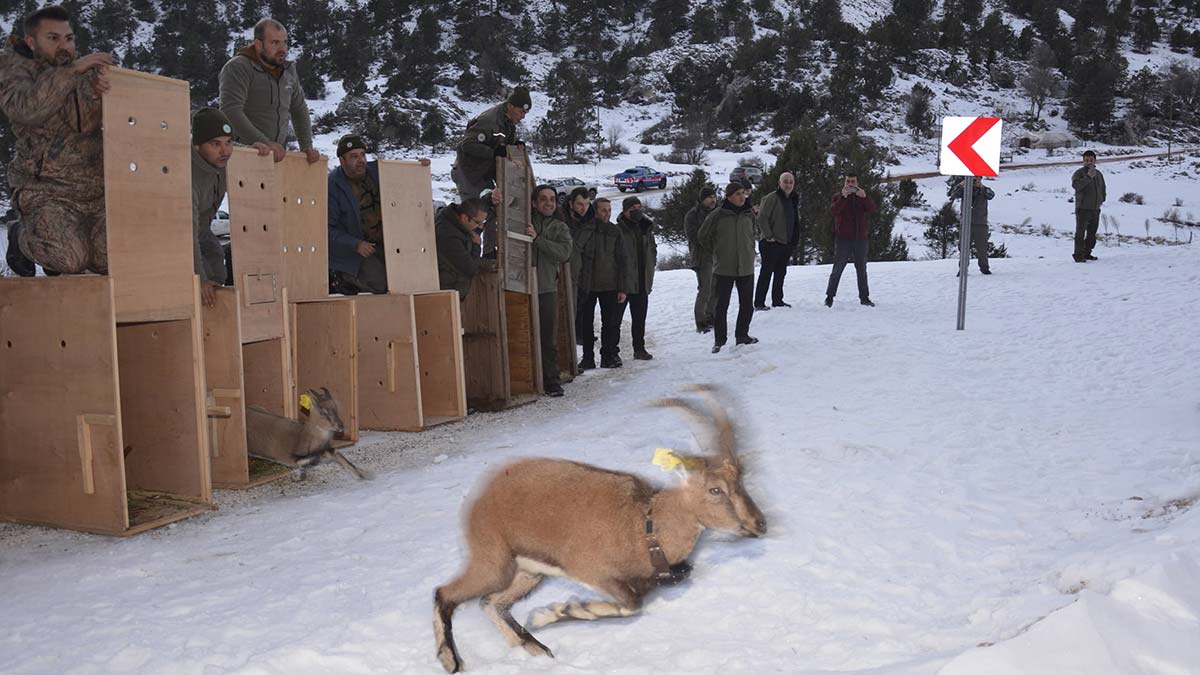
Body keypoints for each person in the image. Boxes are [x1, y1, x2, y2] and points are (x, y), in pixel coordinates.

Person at [1, 5, 111, 275]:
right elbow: (27, 109)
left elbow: (87, 122)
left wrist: (101, 93)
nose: (64, 45)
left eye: (69, 38)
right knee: (70, 259)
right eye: (53, 38)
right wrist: (74, 71)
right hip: (45, 192)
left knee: (112, 256)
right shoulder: (15, 72)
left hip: (95, 193)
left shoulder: (81, 73)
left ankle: (59, 246)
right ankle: (20, 237)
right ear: (31, 41)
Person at [326, 135, 430, 294]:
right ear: (342, 160)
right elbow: (327, 229)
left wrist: (419, 166)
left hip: (384, 244)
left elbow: (404, 177)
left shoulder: (378, 171)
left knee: (407, 278)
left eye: (362, 154)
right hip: (352, 252)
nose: (360, 160)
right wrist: (355, 244)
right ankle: (342, 278)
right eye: (353, 156)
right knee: (380, 283)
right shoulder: (332, 185)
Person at [191, 107, 270, 307]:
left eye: (229, 143)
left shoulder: (221, 161)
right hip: (178, 236)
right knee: (202, 282)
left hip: (202, 231)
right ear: (197, 146)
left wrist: (253, 152)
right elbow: (185, 234)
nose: (224, 151)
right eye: (215, 144)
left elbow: (242, 161)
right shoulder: (189, 176)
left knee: (218, 269)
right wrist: (198, 279)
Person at [219, 18, 319, 165]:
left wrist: (306, 147)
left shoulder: (288, 70)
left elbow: (299, 108)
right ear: (259, 44)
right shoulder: (239, 67)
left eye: (285, 42)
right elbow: (230, 110)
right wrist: (264, 142)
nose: (283, 49)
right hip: (243, 155)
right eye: (275, 42)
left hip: (276, 157)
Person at [698, 184, 758, 353]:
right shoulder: (718, 215)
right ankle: (720, 341)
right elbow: (703, 236)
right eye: (738, 194)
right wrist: (717, 252)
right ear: (729, 196)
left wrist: (750, 251)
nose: (742, 197)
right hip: (724, 268)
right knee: (720, 306)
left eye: (743, 194)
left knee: (747, 305)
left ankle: (742, 335)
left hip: (746, 267)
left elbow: (753, 234)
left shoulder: (749, 214)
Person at [571, 197, 629, 370]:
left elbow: (622, 260)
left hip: (610, 285)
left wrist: (622, 287)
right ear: (595, 211)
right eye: (604, 210)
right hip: (588, 284)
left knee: (609, 323)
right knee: (586, 324)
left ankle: (607, 356)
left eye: (609, 210)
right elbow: (576, 252)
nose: (607, 213)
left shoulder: (615, 231)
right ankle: (588, 358)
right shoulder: (586, 229)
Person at [530, 185, 573, 397]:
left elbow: (564, 253)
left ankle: (552, 380)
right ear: (534, 202)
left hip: (546, 287)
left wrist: (538, 240)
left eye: (552, 199)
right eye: (544, 199)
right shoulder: (522, 220)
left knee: (548, 337)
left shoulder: (559, 227)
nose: (549, 203)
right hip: (520, 286)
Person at [451, 87, 531, 199]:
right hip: (469, 172)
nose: (523, 116)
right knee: (475, 211)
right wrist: (494, 153)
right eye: (521, 111)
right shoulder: (489, 120)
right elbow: (468, 145)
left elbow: (500, 140)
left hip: (485, 172)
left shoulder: (509, 121)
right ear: (510, 106)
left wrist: (514, 144)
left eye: (525, 113)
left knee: (491, 208)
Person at [825, 173, 877, 308]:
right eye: (848, 181)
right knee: (837, 269)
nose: (850, 184)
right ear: (844, 183)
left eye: (853, 181)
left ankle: (864, 298)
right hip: (843, 239)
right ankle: (829, 297)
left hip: (860, 239)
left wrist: (865, 198)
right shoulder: (838, 196)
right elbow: (834, 211)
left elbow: (872, 209)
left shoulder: (862, 196)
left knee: (861, 269)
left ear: (857, 183)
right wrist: (843, 197)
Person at [616, 196, 657, 361]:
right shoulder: (618, 229)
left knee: (639, 319)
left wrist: (651, 266)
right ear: (625, 211)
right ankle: (612, 352)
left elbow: (652, 251)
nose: (637, 211)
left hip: (642, 281)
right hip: (624, 283)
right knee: (615, 321)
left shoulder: (646, 228)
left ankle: (639, 349)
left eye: (639, 207)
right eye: (633, 209)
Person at [754, 172, 800, 309]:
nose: (788, 184)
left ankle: (778, 300)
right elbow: (762, 217)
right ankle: (759, 303)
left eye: (791, 182)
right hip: (771, 243)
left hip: (786, 243)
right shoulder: (771, 198)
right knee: (766, 274)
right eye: (785, 181)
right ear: (779, 183)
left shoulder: (792, 199)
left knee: (780, 273)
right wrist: (769, 236)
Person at [435, 198, 493, 302]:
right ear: (464, 217)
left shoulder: (457, 223)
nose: (481, 226)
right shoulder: (448, 236)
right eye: (478, 222)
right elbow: (470, 268)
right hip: (445, 294)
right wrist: (476, 246)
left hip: (452, 290)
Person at [684, 187, 718, 333]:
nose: (713, 200)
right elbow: (693, 236)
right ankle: (701, 321)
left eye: (714, 197)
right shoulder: (693, 215)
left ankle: (711, 316)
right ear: (703, 199)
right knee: (705, 289)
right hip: (702, 256)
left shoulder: (716, 213)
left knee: (715, 288)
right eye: (710, 197)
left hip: (716, 255)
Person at [949, 176, 996, 275]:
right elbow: (953, 194)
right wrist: (962, 184)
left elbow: (991, 195)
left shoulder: (984, 190)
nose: (974, 181)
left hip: (980, 223)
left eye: (977, 179)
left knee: (982, 248)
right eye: (973, 179)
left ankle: (984, 268)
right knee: (964, 248)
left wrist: (981, 187)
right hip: (966, 223)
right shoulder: (964, 191)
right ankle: (963, 269)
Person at [1071, 150, 1106, 263]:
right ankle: (1078, 255)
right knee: (1080, 233)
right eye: (1086, 160)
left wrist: (1102, 199)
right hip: (1083, 208)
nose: (1089, 162)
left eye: (1091, 160)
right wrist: (1088, 177)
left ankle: (1087, 253)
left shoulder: (1099, 174)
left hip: (1095, 209)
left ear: (1095, 160)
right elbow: (1076, 186)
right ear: (1083, 161)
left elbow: (1102, 188)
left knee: (1092, 234)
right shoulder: (1079, 173)